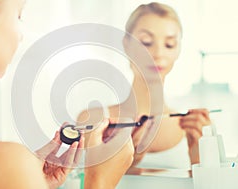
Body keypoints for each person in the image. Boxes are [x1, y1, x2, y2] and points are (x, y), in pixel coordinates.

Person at [0, 0, 133, 189]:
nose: (21, 35)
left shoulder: (4, 169)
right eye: (19, 15)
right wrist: (99, 181)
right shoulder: (3, 166)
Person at [77, 2, 212, 175]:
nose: (158, 53)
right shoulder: (93, 121)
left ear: (178, 50)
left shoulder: (194, 129)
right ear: (126, 44)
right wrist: (125, 164)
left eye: (169, 44)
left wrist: (201, 164)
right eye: (146, 42)